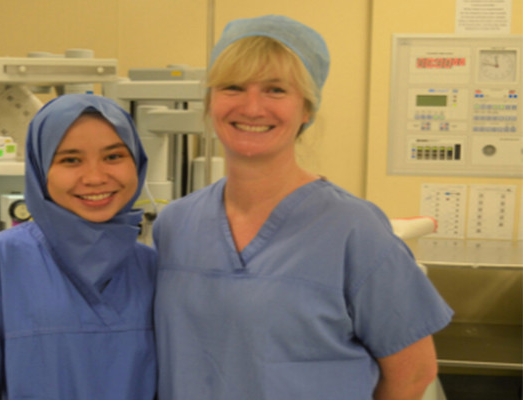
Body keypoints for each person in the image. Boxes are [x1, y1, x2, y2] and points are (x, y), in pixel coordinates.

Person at [153, 15, 453, 400]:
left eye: (276, 90)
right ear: (211, 102)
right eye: (233, 87)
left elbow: (414, 373)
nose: (252, 107)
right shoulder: (175, 224)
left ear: (307, 108)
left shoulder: (354, 229)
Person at [0, 94, 157, 400]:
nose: (95, 178)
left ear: (137, 162)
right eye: (70, 160)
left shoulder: (155, 269)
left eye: (114, 156)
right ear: (40, 169)